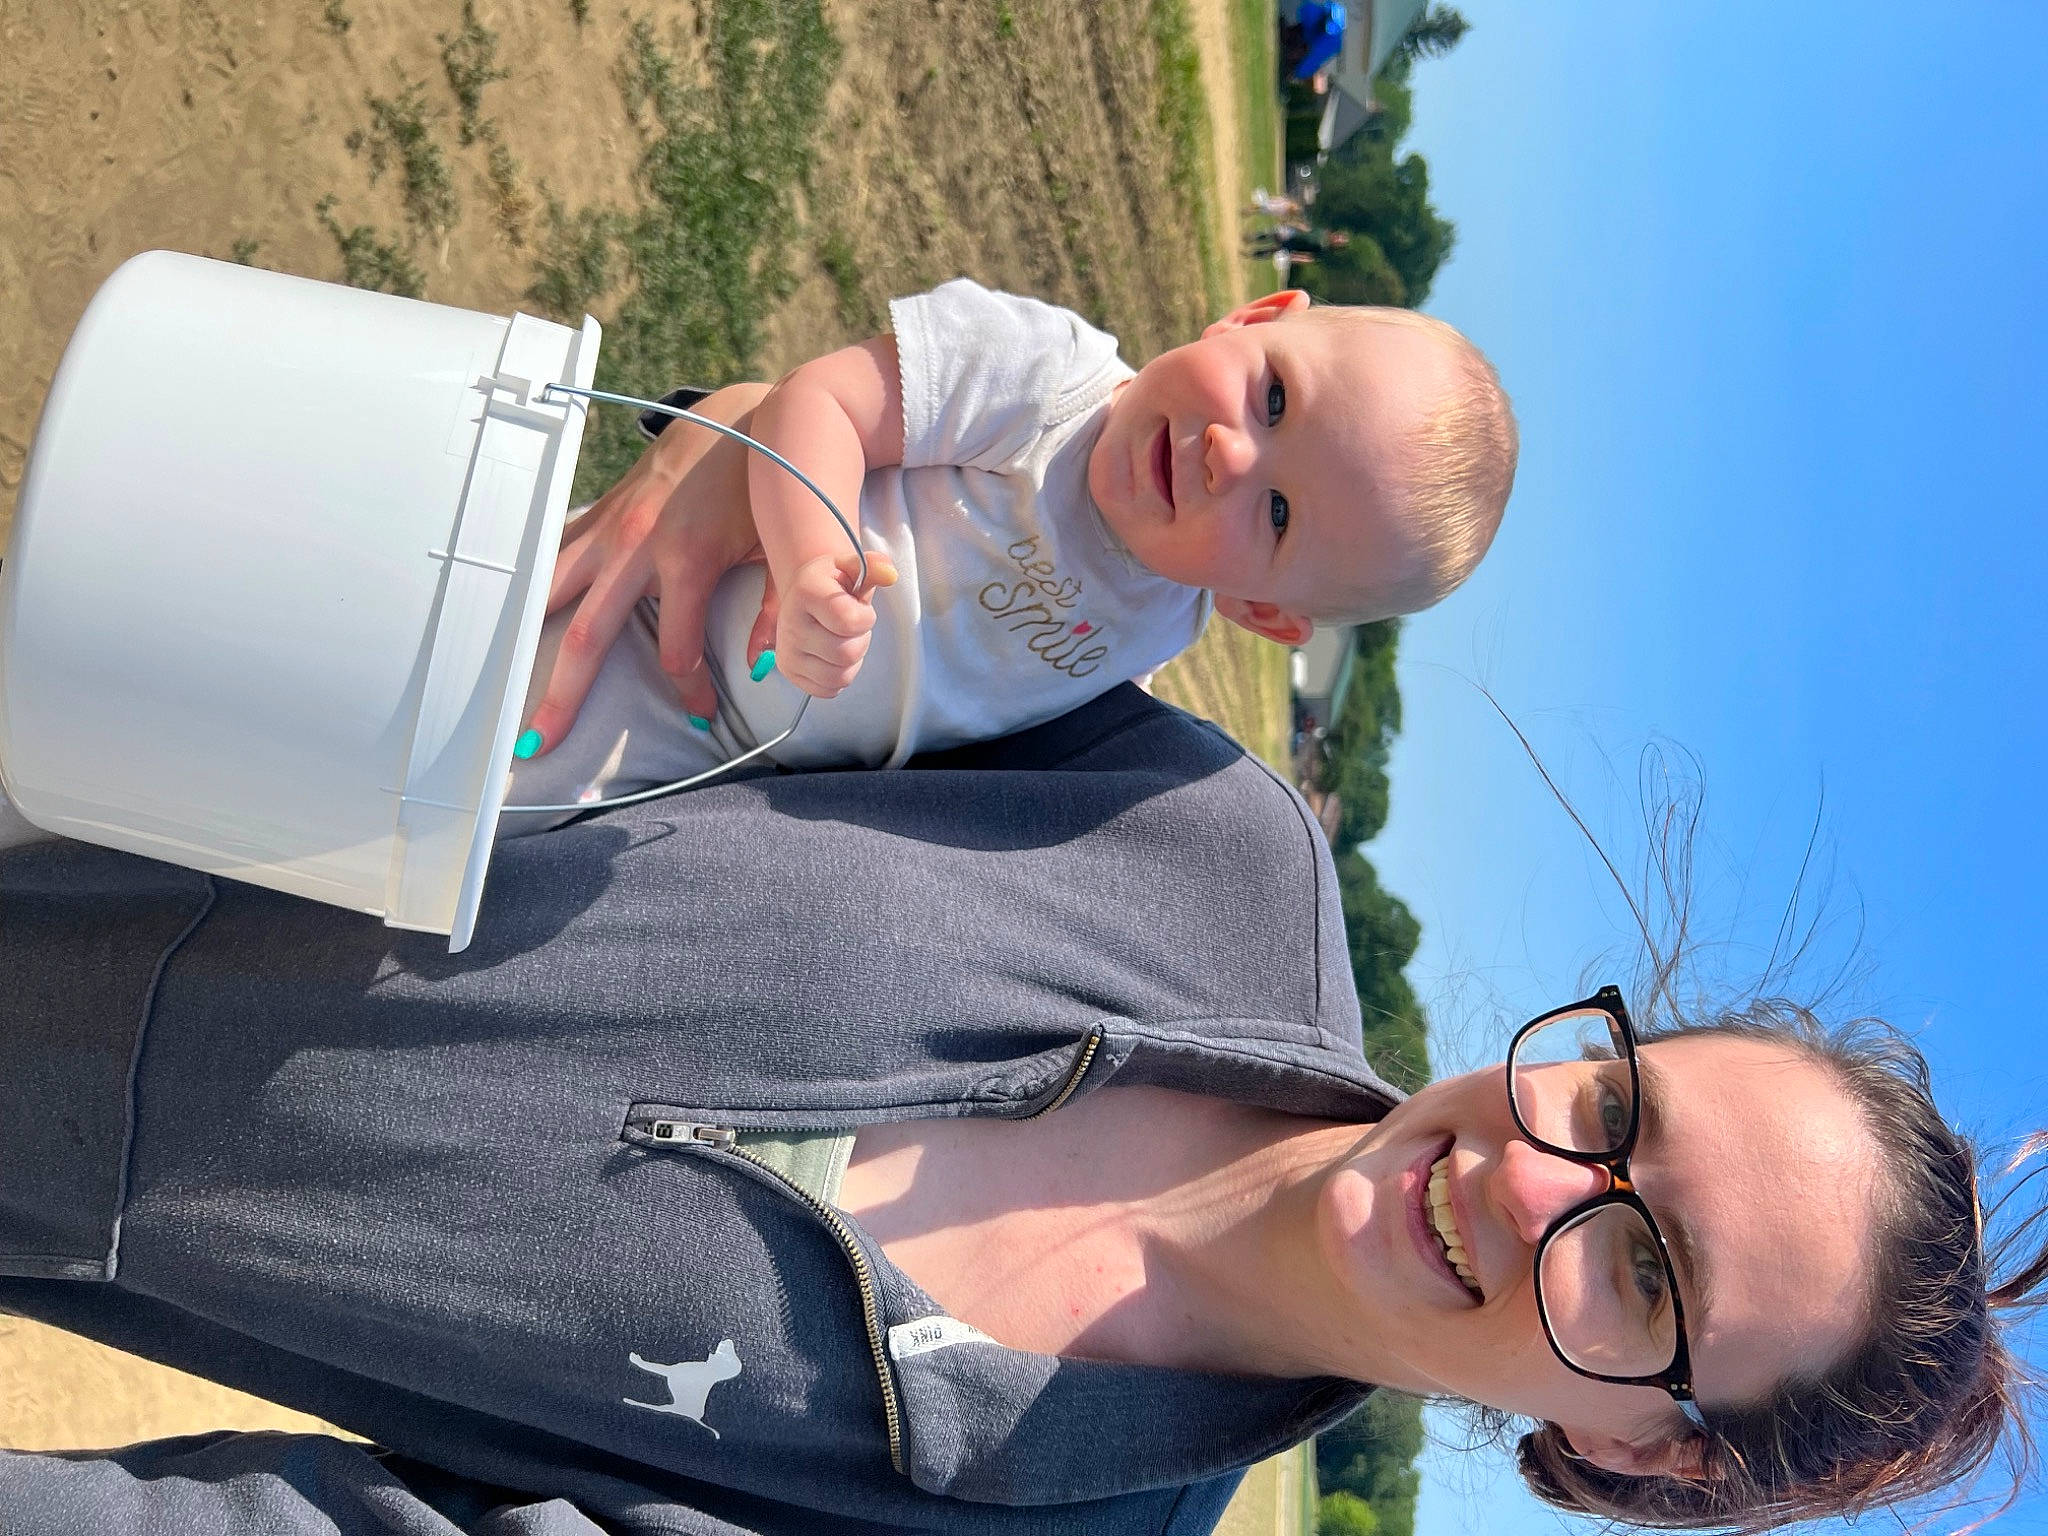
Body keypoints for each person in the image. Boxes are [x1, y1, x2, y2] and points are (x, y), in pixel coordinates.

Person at [0, 486, 2039, 1536]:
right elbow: (772, 599)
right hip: (102, 726)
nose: (1527, 1178)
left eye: (1642, 1272)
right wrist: (764, 459)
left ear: (1642, 1456)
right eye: (1611, 1108)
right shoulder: (1199, 831)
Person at [502, 278, 1516, 817]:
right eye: (1276, 398)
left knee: (478, 850)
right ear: (1250, 317)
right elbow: (825, 400)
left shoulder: (1159, 625)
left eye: (1280, 515)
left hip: (716, 768)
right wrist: (813, 554)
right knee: (474, 696)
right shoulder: (1047, 380)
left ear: (1260, 612)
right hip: (661, 617)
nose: (1227, 455)